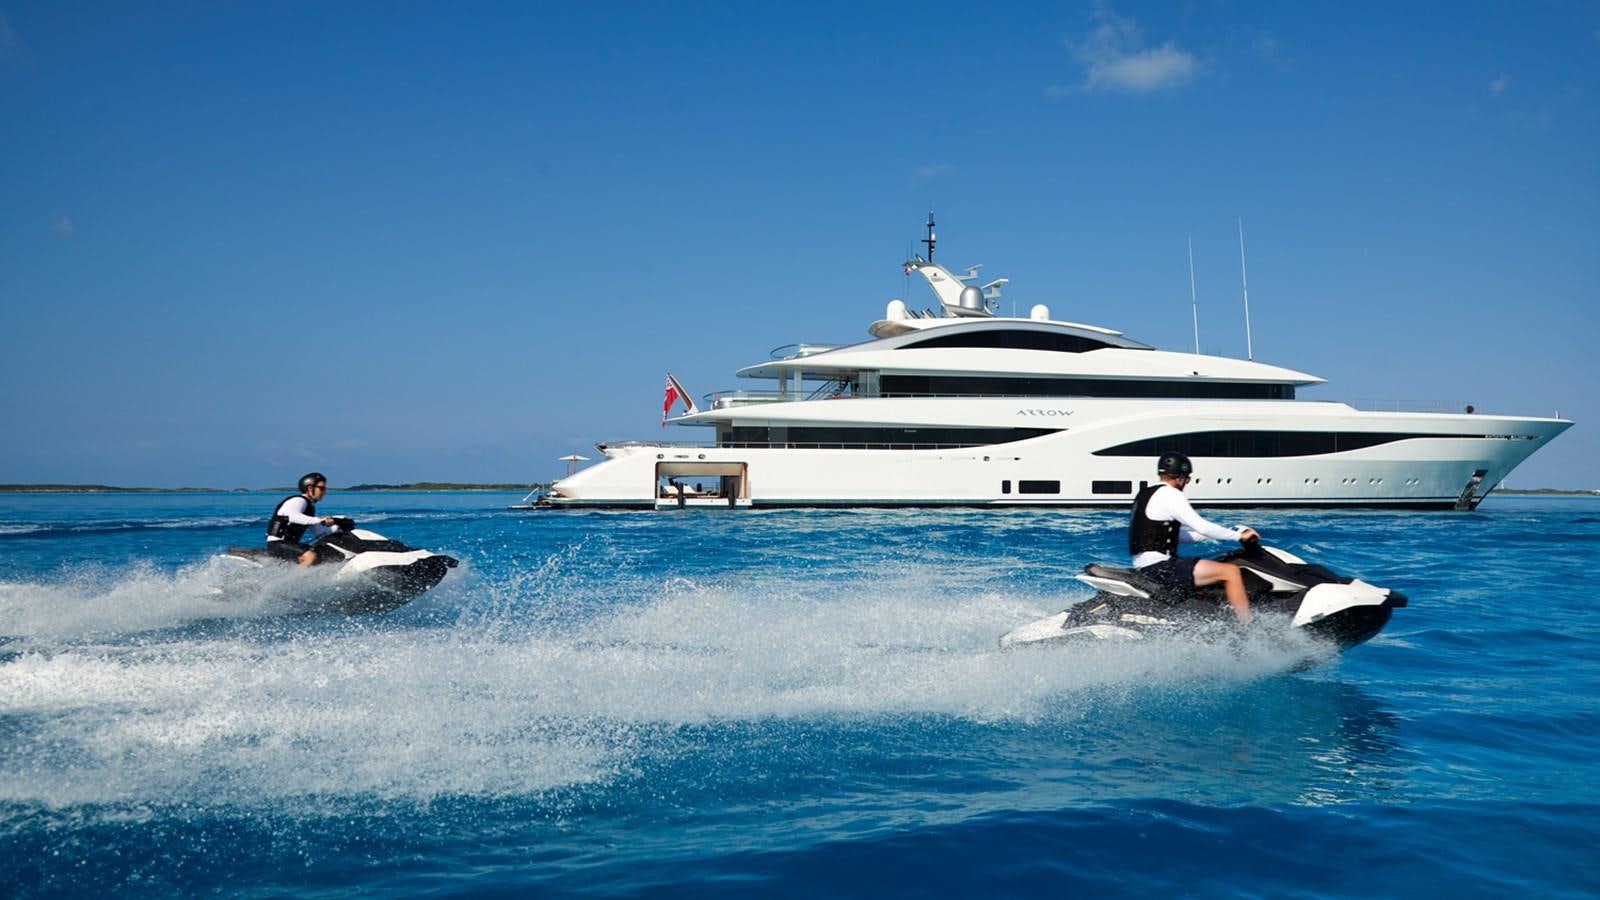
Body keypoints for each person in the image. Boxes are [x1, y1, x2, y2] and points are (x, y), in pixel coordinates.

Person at [1128, 452, 1261, 625]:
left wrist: (1206, 535)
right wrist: (1238, 536)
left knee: (1207, 575)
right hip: (1159, 567)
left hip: (1145, 565)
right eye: (1188, 479)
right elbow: (1202, 525)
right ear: (1180, 477)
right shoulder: (1171, 495)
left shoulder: (1147, 494)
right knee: (1231, 572)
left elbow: (1174, 535)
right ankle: (1247, 627)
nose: (1187, 483)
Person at [265, 472, 338, 567]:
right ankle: (294, 581)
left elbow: (319, 532)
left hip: (290, 545)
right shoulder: (299, 500)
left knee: (321, 554)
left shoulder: (309, 508)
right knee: (310, 556)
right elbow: (292, 516)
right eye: (321, 488)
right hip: (277, 544)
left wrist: (337, 527)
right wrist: (319, 520)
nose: (324, 492)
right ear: (310, 488)